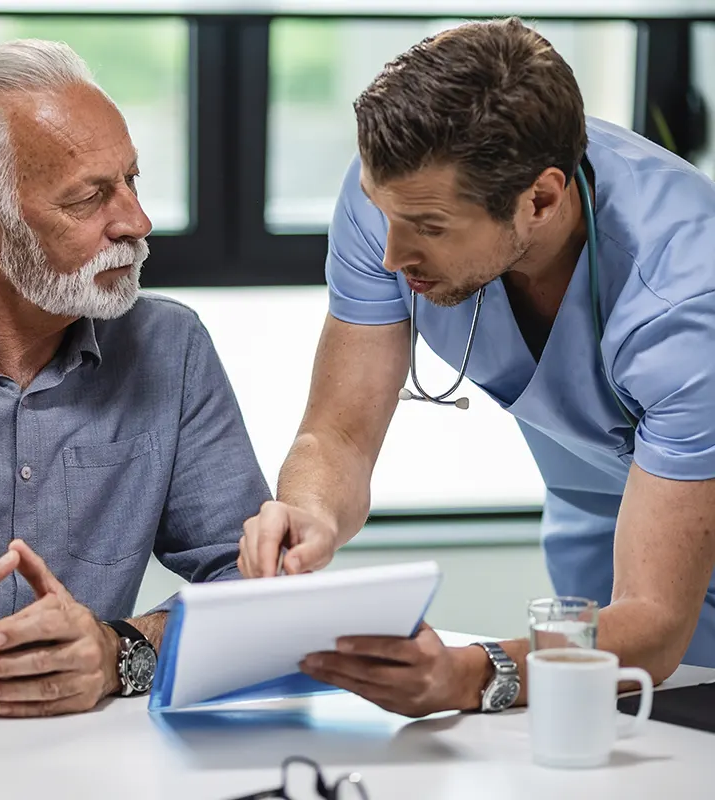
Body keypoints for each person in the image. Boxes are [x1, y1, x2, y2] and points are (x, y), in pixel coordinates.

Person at [239, 17, 715, 717]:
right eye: (383, 213)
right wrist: (307, 516)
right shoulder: (401, 192)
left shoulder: (686, 293)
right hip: (602, 537)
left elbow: (654, 623)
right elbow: (338, 434)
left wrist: (468, 675)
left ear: (541, 200)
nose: (390, 257)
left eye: (428, 229)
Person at [0, 39, 270, 718]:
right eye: (88, 199)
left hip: (92, 760)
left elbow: (255, 585)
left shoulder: (169, 347)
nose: (136, 222)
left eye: (131, 180)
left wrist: (118, 652)